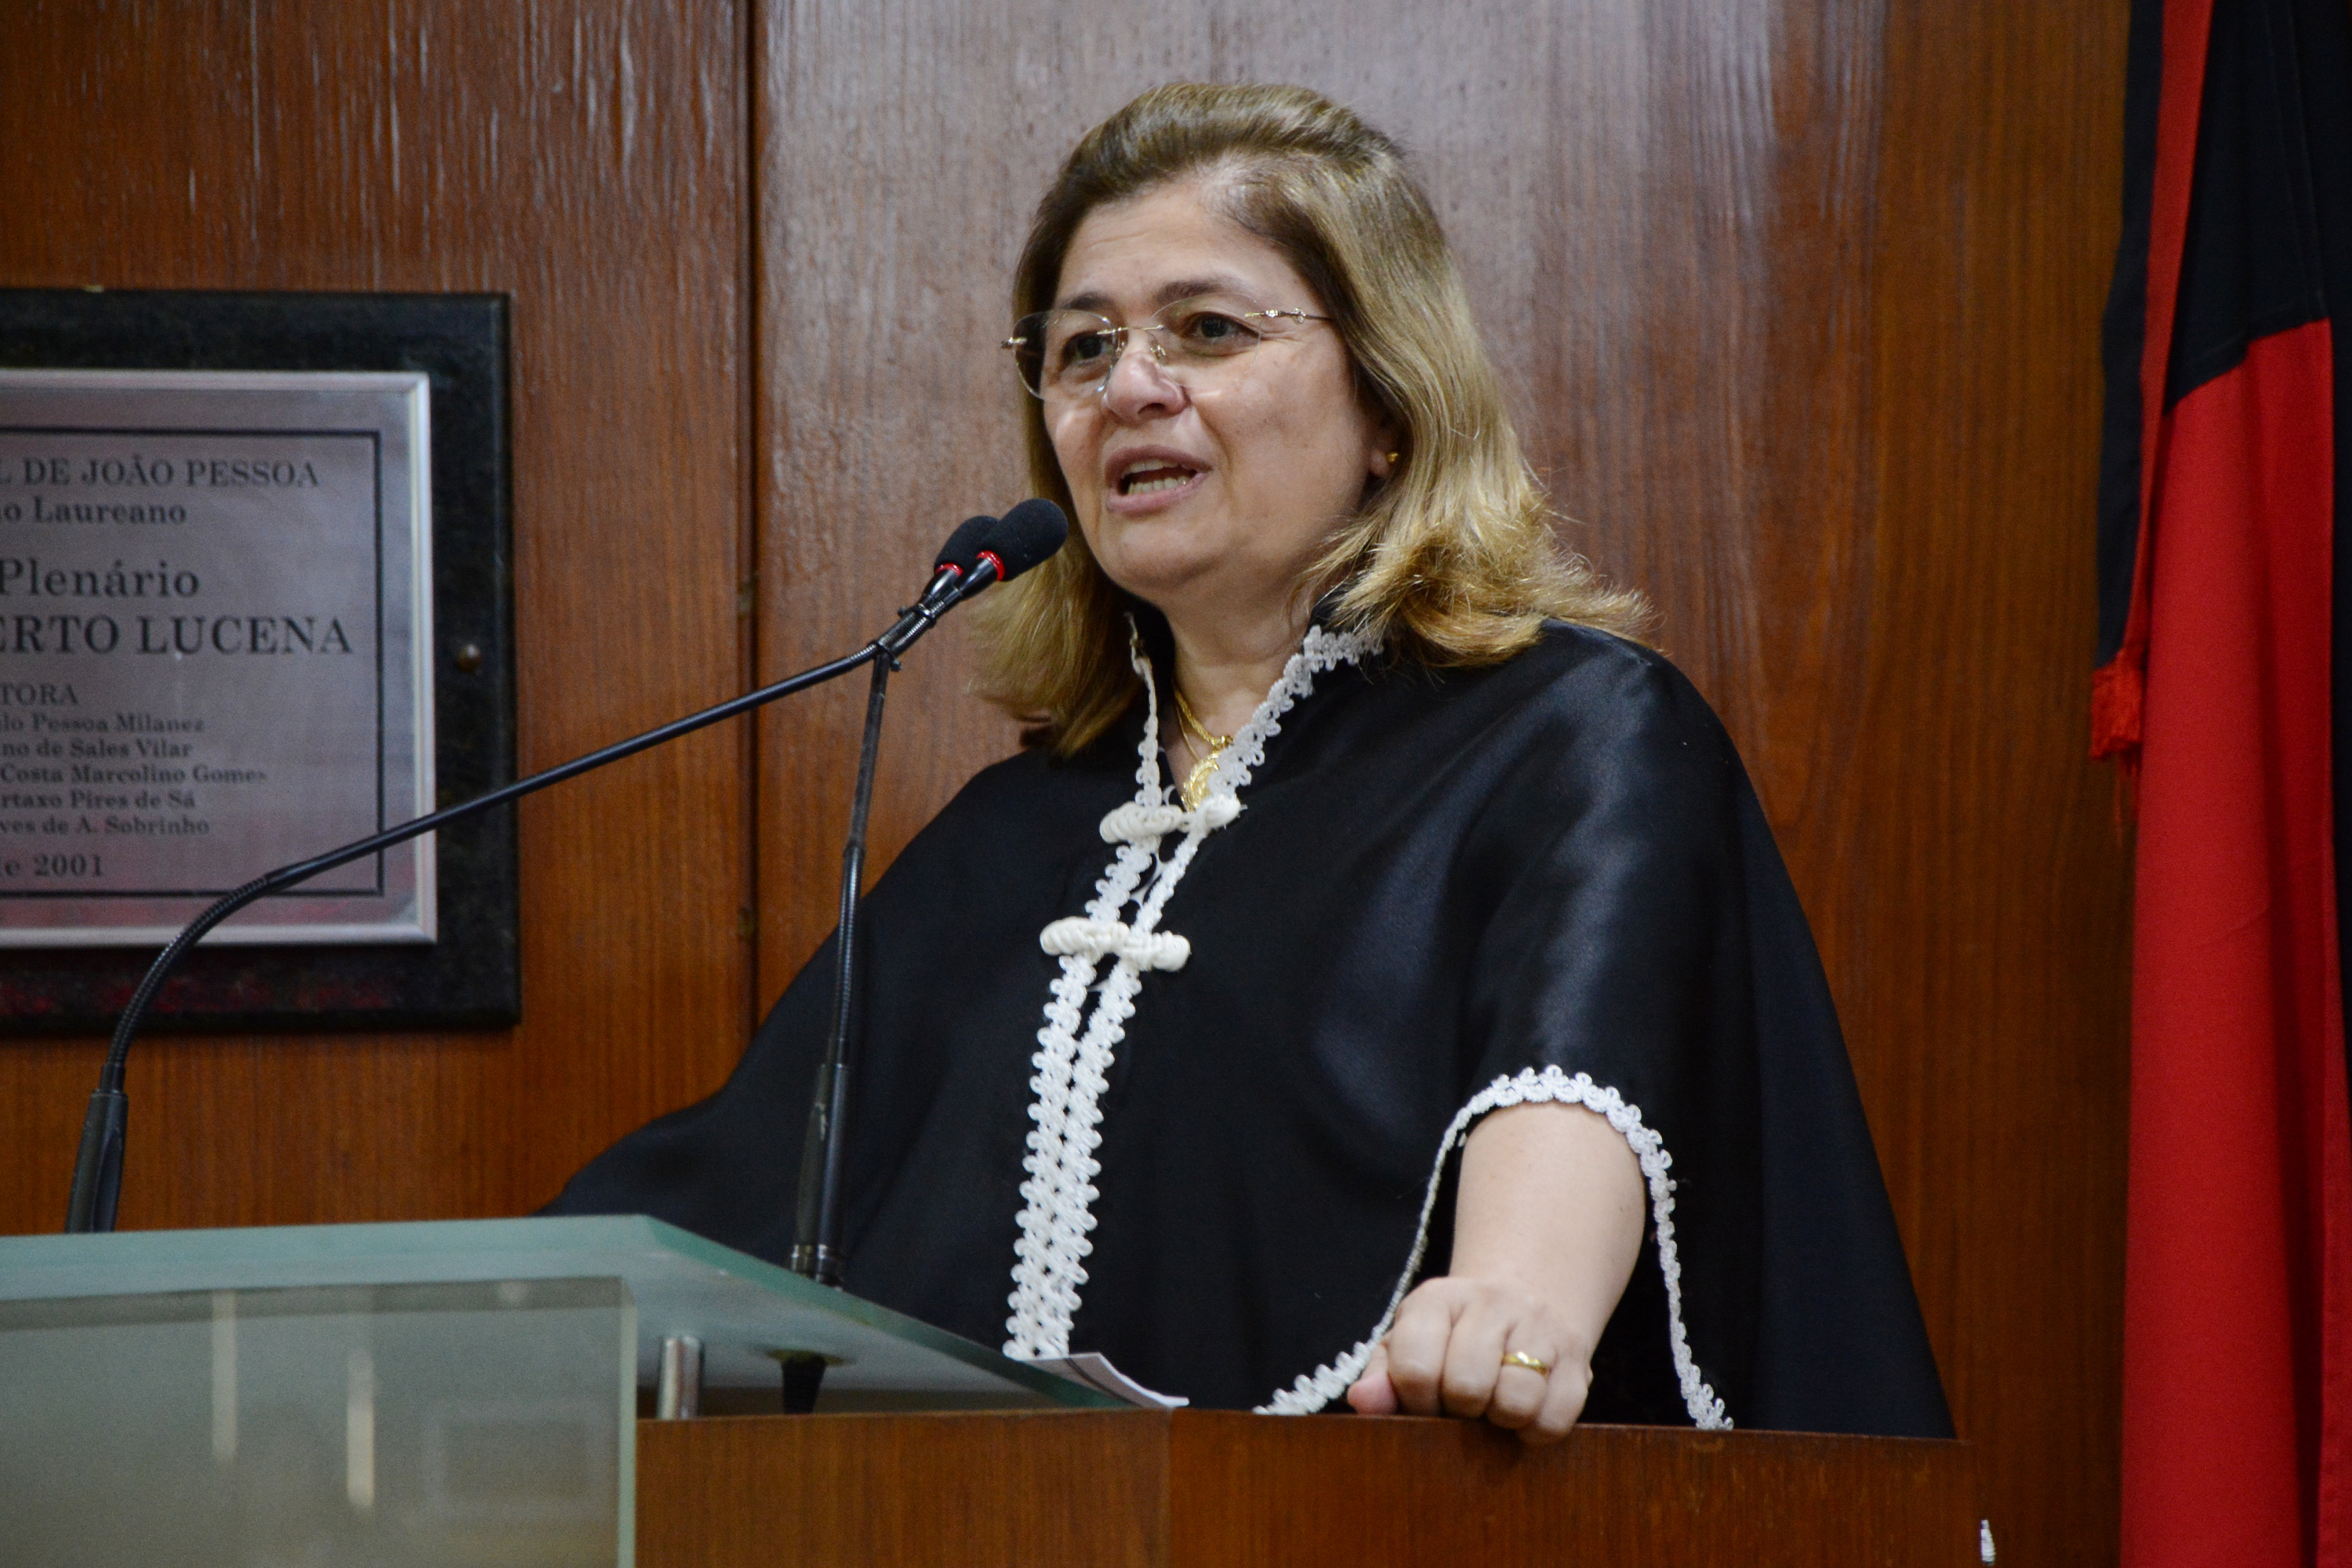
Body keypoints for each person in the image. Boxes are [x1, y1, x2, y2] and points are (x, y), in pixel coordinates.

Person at [545, 82, 1951, 1443]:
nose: (1128, 387)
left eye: (1206, 330)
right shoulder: (1004, 840)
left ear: (1390, 403)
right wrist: (489, 1318)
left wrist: (1513, 1302)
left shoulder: (1572, 735)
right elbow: (719, 1216)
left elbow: (1577, 1069)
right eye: (1081, 349)